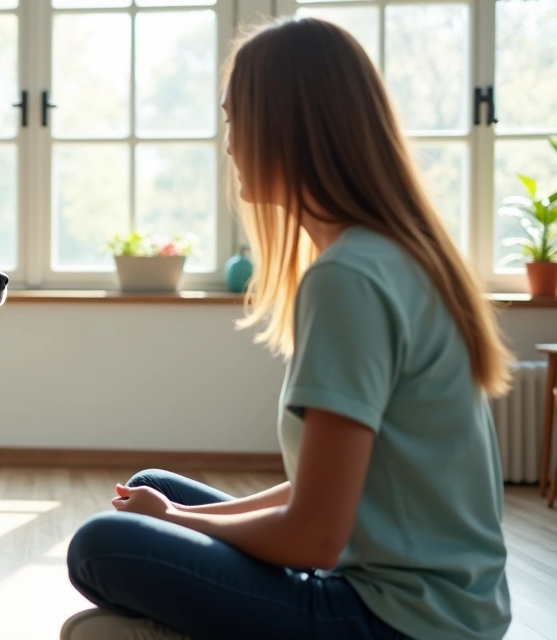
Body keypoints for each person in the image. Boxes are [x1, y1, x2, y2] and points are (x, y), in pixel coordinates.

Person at [62, 17, 513, 640]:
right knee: (151, 489)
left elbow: (315, 535)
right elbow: (319, 492)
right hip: (450, 613)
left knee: (100, 545)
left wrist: (180, 523)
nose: (228, 144)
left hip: (397, 622)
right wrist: (171, 511)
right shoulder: (392, 256)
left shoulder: (348, 278)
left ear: (285, 129)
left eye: (234, 119)